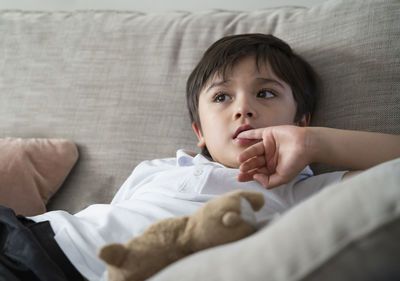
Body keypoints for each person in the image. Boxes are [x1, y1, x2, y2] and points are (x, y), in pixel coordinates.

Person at [1, 33, 399, 281]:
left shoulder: (304, 192)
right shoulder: (158, 169)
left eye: (266, 93)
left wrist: (313, 142)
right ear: (200, 133)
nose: (243, 109)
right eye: (222, 97)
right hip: (34, 233)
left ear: (302, 119)